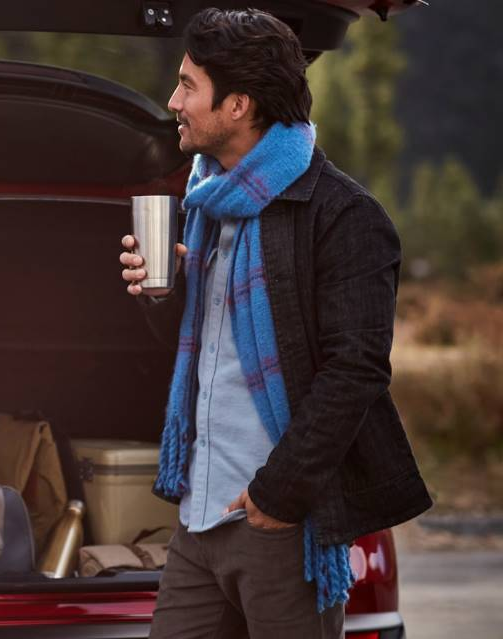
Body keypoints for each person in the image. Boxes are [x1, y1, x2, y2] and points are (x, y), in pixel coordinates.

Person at [118, 9, 432, 638]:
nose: (172, 101)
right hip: (199, 515)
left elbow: (356, 372)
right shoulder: (207, 200)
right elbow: (206, 354)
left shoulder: (344, 217)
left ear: (238, 105)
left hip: (279, 525)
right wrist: (161, 294)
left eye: (187, 86)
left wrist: (278, 498)